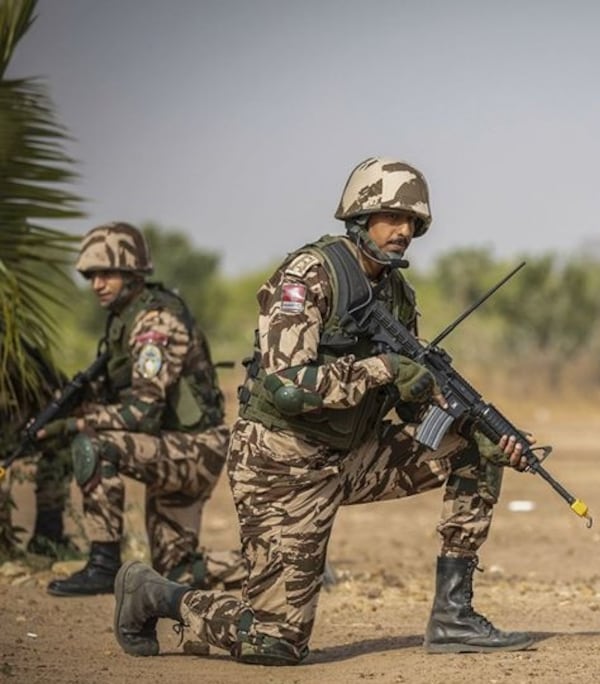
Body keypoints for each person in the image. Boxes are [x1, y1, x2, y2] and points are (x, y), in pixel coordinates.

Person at [113, 157, 535, 665]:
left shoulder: (399, 294)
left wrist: (469, 422)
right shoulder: (308, 275)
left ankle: (453, 615)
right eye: (391, 217)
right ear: (359, 217)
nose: (403, 230)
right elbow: (288, 385)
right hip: (279, 464)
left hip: (350, 457)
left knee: (472, 448)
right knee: (277, 643)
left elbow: (408, 398)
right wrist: (383, 370)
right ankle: (156, 595)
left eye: (413, 223)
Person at [41, 222, 246, 596]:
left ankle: (103, 565)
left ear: (133, 273)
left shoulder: (155, 321)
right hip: (177, 447)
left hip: (194, 449)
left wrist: (75, 423)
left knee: (94, 443)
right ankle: (287, 567)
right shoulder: (124, 321)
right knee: (176, 572)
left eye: (107, 273)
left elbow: (143, 412)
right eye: (91, 275)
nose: (97, 284)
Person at [0, 332, 80, 560]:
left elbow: (62, 394)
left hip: (24, 431)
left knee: (59, 449)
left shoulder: (21, 349)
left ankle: (48, 535)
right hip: (14, 432)